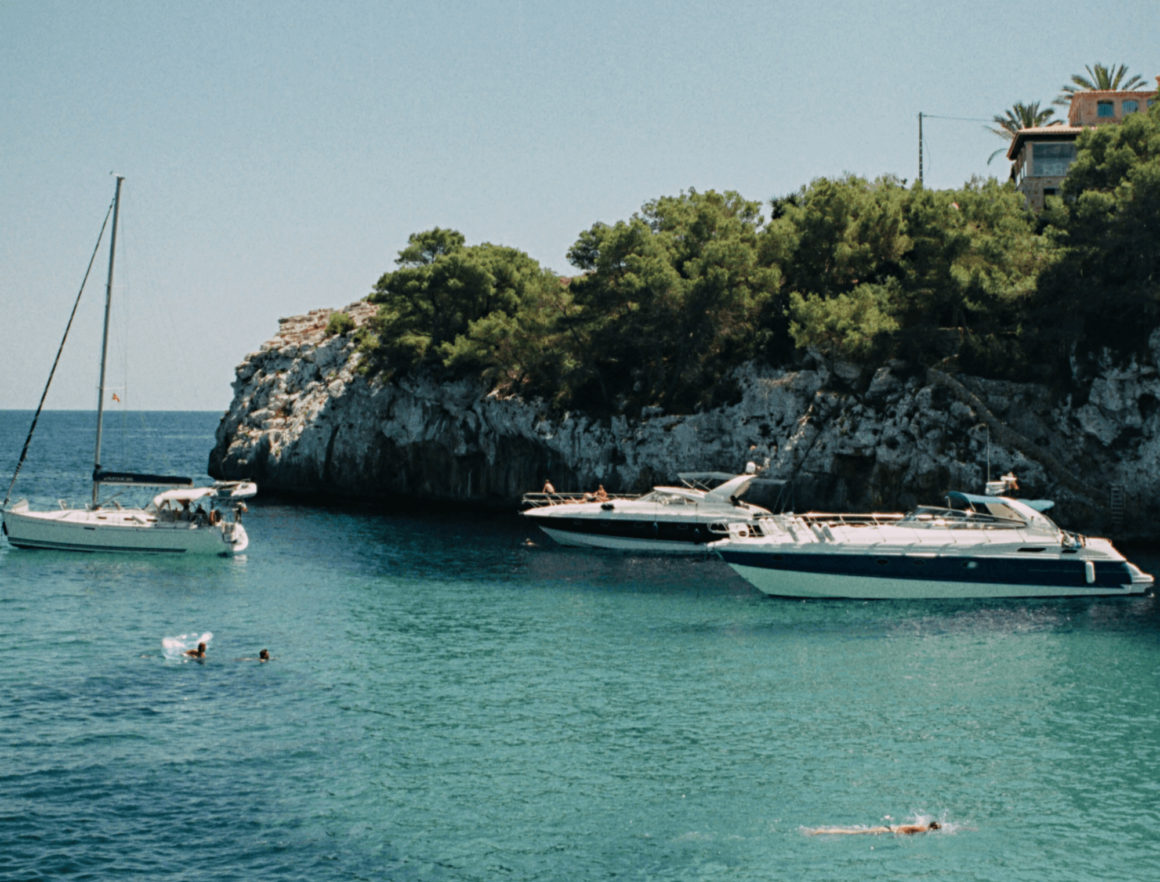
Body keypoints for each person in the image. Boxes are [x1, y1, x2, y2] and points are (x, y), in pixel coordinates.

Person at [807, 821, 940, 836]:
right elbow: (908, 829)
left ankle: (822, 831)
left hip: (887, 828)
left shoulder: (922, 826)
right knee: (852, 833)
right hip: (886, 830)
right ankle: (821, 831)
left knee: (854, 832)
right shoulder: (923, 830)